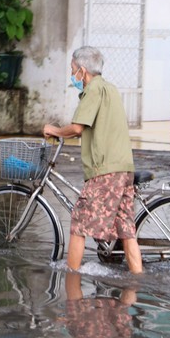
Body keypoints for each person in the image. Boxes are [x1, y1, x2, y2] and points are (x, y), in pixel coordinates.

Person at [43, 46, 143, 274]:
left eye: (73, 70)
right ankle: (138, 279)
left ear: (82, 70)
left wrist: (54, 130)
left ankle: (72, 279)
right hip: (123, 168)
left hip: (105, 170)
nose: (72, 75)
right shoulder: (111, 89)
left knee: (79, 222)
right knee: (126, 229)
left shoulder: (94, 90)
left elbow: (77, 128)